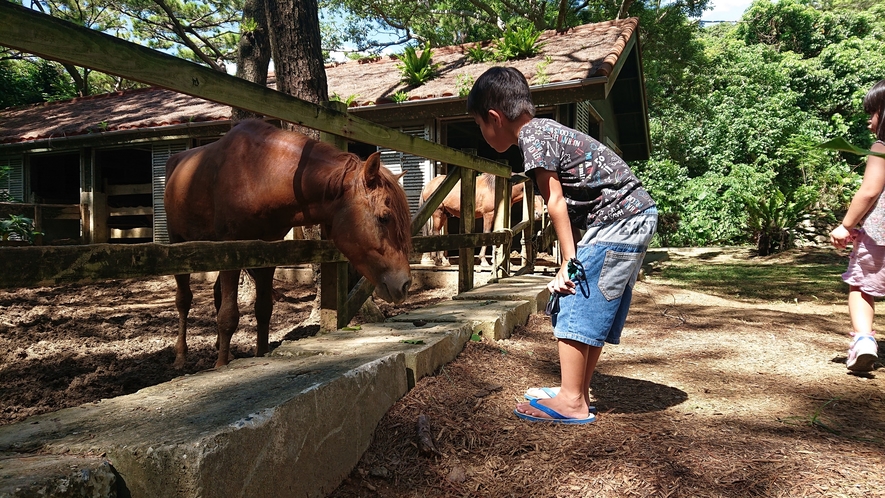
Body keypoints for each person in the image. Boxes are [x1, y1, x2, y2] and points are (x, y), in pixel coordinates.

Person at [467, 67, 657, 423]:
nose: (481, 132)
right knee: (594, 301)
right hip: (633, 216)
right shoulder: (548, 130)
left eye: (479, 124)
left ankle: (571, 401)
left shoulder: (533, 136)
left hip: (619, 219)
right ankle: (577, 392)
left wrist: (569, 261)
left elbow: (554, 201)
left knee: (573, 294)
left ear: (494, 118)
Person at [829, 79, 885, 373]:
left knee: (861, 287)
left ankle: (864, 340)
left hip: (880, 235)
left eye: (873, 111)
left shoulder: (881, 147)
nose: (869, 118)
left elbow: (869, 191)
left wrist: (846, 225)